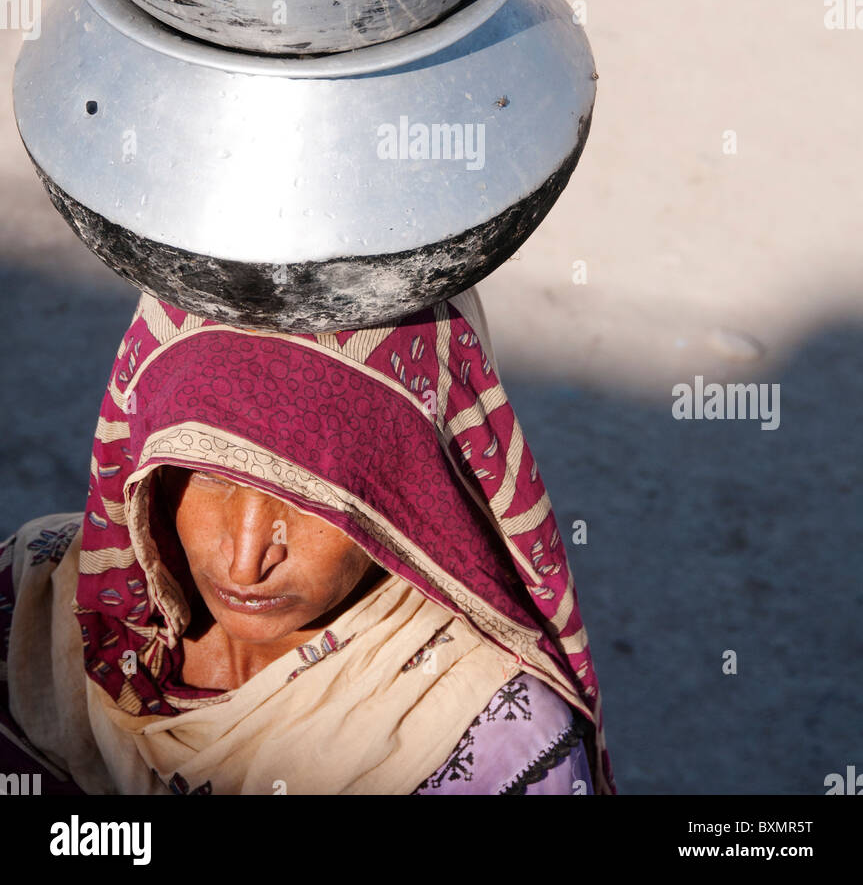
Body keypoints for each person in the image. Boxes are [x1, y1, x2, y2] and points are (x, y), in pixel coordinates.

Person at [0, 286, 614, 795]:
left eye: (311, 497)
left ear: (404, 494)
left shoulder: (488, 742)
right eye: (209, 475)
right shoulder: (34, 600)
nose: (245, 561)